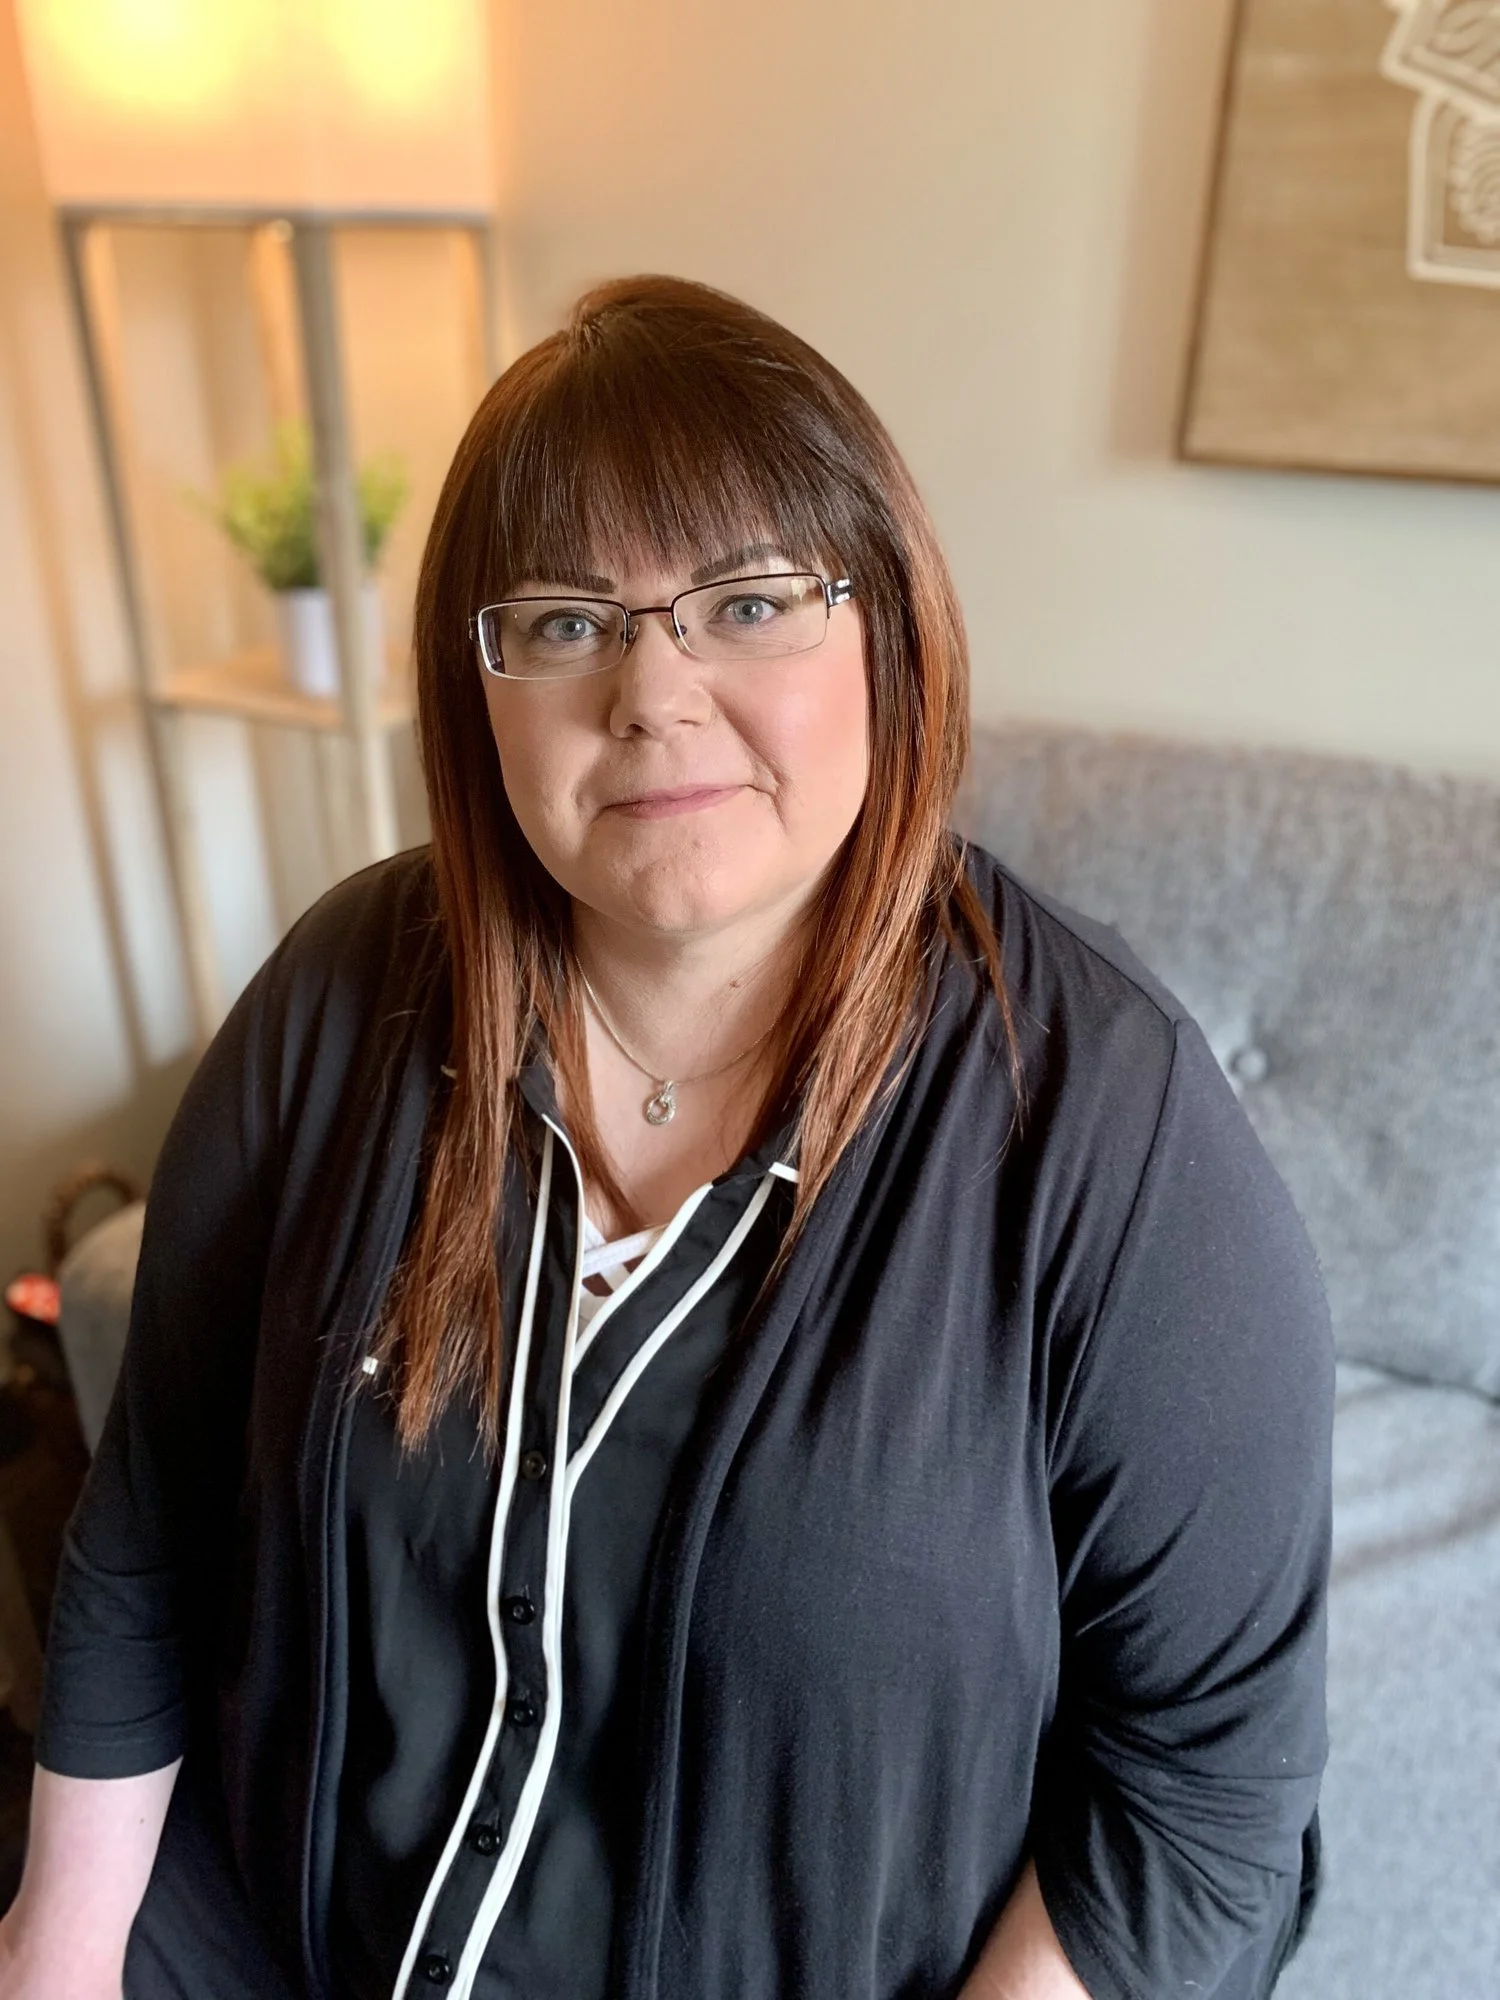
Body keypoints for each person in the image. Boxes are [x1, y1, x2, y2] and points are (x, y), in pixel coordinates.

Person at [0, 274, 1333, 2000]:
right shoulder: (341, 992)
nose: (652, 692)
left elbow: (1207, 1808)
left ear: (890, 632)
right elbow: (152, 1522)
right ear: (478, 689)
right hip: (269, 1939)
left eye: (751, 603)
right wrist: (59, 1948)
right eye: (567, 622)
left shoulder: (1108, 1123)